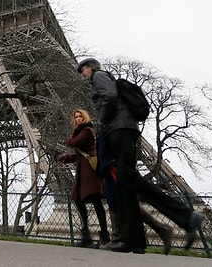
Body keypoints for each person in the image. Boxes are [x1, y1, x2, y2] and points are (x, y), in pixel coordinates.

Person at [77, 58, 203, 254]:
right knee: (125, 184)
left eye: (82, 69)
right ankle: (133, 241)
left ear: (90, 67)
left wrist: (101, 123)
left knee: (127, 178)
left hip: (118, 130)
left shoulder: (99, 76)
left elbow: (109, 96)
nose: (81, 74)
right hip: (123, 128)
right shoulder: (104, 78)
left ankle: (186, 216)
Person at [57, 108, 109, 248]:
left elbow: (73, 143)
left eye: (80, 116)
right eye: (76, 117)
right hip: (83, 172)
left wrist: (68, 139)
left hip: (90, 173)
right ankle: (86, 234)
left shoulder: (87, 131)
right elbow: (80, 154)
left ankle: (104, 235)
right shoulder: (79, 133)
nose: (78, 119)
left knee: (96, 202)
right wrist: (67, 157)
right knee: (77, 199)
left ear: (84, 118)